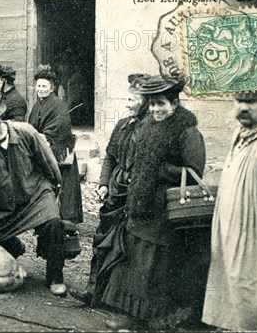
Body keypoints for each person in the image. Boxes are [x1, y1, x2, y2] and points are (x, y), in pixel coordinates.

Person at [99, 75, 206, 329]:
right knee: (135, 264)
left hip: (164, 212)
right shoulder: (147, 126)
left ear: (175, 103)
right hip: (141, 206)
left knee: (154, 270)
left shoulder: (188, 132)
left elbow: (194, 170)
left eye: (162, 104)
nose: (157, 110)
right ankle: (133, 316)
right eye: (153, 104)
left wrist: (160, 169)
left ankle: (152, 321)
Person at [0, 98, 68, 296]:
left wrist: (55, 190)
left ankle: (55, 278)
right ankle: (14, 245)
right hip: (4, 206)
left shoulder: (26, 133)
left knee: (54, 224)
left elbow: (48, 161)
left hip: (35, 195)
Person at [202, 90, 257, 331]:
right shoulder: (240, 136)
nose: (243, 108)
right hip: (231, 242)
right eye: (239, 101)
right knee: (236, 307)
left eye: (252, 101)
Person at [71, 74, 149, 305]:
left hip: (135, 194)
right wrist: (104, 184)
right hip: (116, 192)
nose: (127, 103)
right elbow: (110, 157)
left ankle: (118, 300)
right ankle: (93, 292)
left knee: (127, 249)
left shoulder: (151, 129)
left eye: (132, 99)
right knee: (102, 240)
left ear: (145, 101)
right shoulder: (123, 126)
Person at [28, 65, 83, 224]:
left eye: (44, 86)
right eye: (38, 86)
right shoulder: (38, 104)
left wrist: (40, 136)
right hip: (43, 150)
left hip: (58, 153)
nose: (41, 89)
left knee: (62, 191)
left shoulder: (59, 105)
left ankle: (63, 220)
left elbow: (61, 129)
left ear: (52, 88)